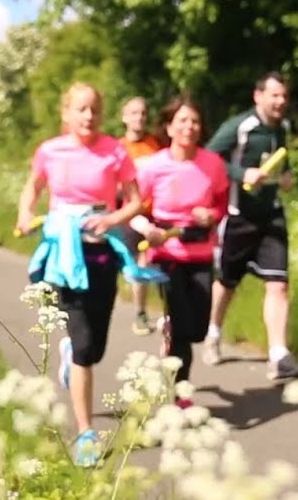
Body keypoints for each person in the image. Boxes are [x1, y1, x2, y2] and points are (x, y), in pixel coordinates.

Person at [15, 82, 144, 466]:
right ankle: (86, 432)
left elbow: (135, 200)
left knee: (95, 344)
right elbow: (32, 188)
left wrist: (112, 219)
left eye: (95, 110)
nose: (88, 117)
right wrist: (25, 213)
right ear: (66, 113)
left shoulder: (115, 151)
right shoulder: (50, 151)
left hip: (101, 252)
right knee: (85, 342)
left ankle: (72, 352)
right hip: (63, 253)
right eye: (81, 109)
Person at [202, 71, 298, 383]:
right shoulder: (240, 126)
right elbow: (209, 158)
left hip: (272, 215)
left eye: (284, 96)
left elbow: (280, 160)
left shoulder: (283, 127)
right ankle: (213, 334)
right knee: (227, 282)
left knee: (279, 284)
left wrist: (286, 176)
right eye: (274, 95)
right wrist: (240, 173)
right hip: (238, 217)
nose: (280, 102)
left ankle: (279, 356)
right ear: (258, 96)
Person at [131, 94, 229, 405]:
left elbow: (223, 203)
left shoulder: (212, 164)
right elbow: (129, 209)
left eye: (195, 121)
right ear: (169, 127)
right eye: (183, 120)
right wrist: (149, 230)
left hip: (201, 252)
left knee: (197, 329)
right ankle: (180, 393)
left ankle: (171, 333)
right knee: (182, 327)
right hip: (167, 255)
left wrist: (212, 215)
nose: (190, 127)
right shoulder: (152, 166)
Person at [115, 97, 163, 336]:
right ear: (124, 117)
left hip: (157, 212)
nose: (139, 118)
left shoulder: (155, 144)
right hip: (130, 214)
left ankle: (164, 313)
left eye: (143, 113)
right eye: (134, 113)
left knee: (157, 261)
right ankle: (140, 313)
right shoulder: (118, 148)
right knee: (139, 262)